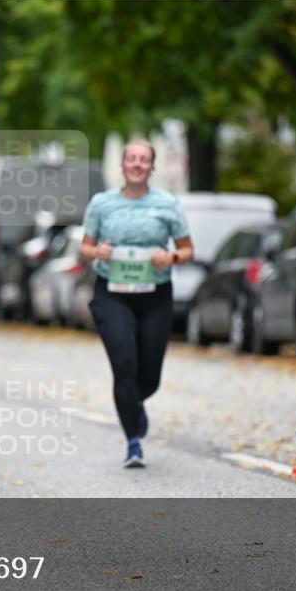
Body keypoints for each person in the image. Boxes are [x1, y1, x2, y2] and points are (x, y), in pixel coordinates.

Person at [79, 140, 195, 468]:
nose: (137, 164)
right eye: (132, 158)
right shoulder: (102, 203)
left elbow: (188, 251)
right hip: (112, 294)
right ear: (123, 164)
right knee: (124, 364)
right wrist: (97, 252)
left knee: (150, 376)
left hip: (154, 295)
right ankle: (133, 440)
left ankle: (134, 404)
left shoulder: (167, 203)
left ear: (152, 167)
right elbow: (84, 247)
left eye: (144, 160)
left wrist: (169, 256)